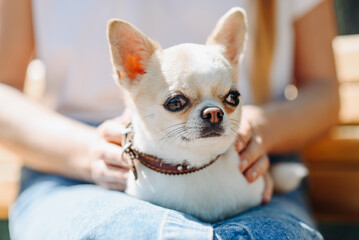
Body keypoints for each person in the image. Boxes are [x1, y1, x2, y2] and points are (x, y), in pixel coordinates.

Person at [0, 0, 338, 239]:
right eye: (177, 102)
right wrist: (85, 151)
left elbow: (323, 90)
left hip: (248, 159)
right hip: (74, 164)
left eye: (228, 98)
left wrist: (260, 125)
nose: (211, 112)